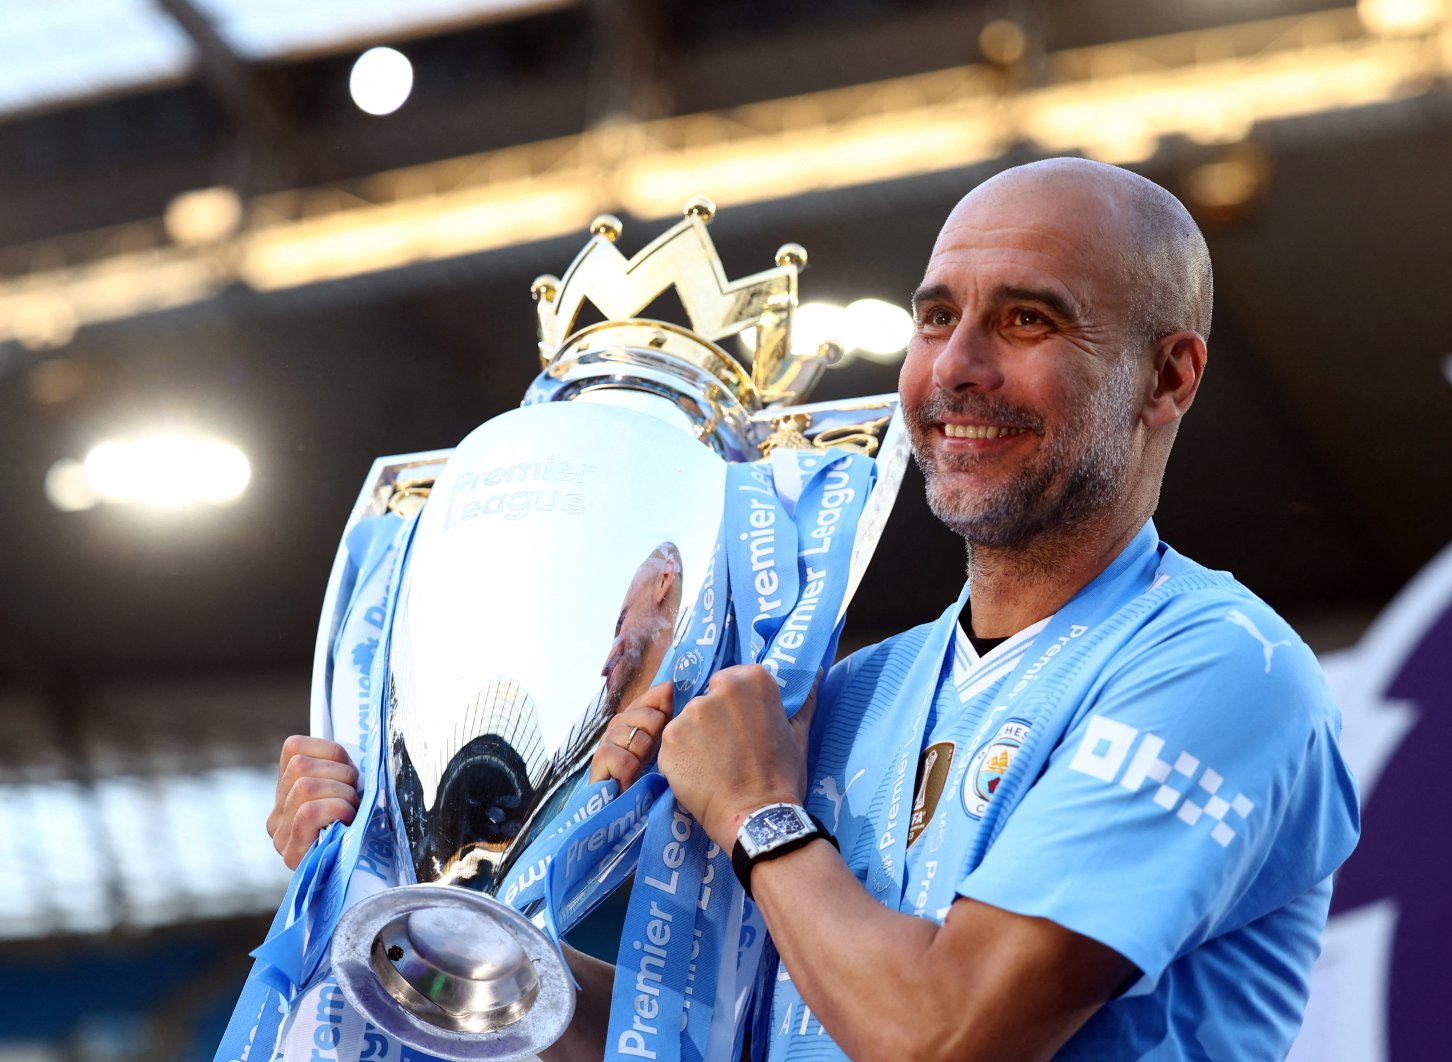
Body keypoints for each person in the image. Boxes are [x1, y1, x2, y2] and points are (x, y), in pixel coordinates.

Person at [271, 157, 1359, 1060]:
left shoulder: (1221, 668)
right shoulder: (846, 694)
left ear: (1169, 377)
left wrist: (757, 816)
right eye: (936, 319)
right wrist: (406, 902)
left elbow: (947, 1035)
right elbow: (694, 1036)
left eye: (1027, 320)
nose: (957, 368)